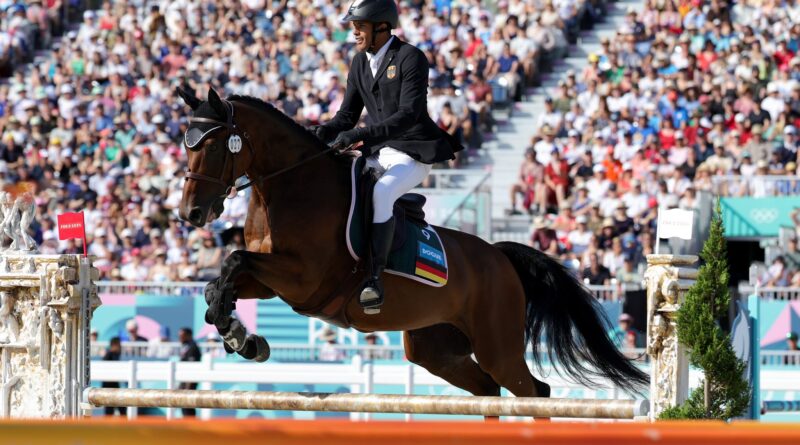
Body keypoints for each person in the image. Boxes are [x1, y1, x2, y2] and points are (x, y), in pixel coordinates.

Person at [311, 0, 462, 314]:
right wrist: (314, 134)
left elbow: (408, 115)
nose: (354, 32)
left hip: (413, 153)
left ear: (381, 26)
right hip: (379, 152)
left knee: (381, 193)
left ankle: (374, 278)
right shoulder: (359, 63)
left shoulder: (410, 58)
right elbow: (345, 118)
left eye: (360, 26)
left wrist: (360, 135)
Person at [178, 327, 201, 418]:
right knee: (184, 404)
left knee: (188, 403)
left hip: (189, 380)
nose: (180, 338)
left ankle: (190, 423)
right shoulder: (186, 346)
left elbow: (192, 367)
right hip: (185, 379)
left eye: (182, 336)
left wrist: (188, 386)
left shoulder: (193, 347)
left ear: (188, 336)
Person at [101, 337, 126, 416]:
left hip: (114, 384)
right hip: (108, 385)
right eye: (119, 345)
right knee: (109, 410)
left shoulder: (116, 354)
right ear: (114, 345)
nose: (120, 347)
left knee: (121, 408)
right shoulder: (109, 354)